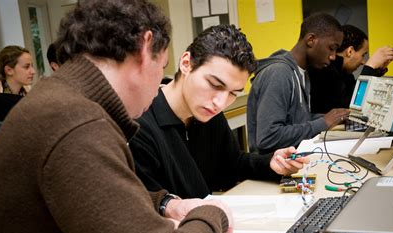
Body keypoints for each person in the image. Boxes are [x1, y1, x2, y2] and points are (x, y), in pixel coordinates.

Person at [0, 1, 234, 233]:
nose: (160, 79)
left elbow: (91, 194)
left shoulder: (59, 101)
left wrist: (164, 203)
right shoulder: (76, 121)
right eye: (163, 66)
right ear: (146, 47)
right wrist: (213, 213)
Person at [129, 24, 308, 199]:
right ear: (186, 64)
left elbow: (233, 164)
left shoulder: (208, 113)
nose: (220, 103)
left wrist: (270, 163)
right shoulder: (140, 125)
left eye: (232, 93)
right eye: (214, 85)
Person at [247, 13, 350, 154]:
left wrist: (333, 117)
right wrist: (323, 123)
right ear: (311, 40)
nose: (333, 57)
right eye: (331, 48)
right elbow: (268, 138)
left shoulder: (302, 72)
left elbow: (296, 120)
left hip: (293, 161)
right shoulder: (279, 73)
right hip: (272, 169)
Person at [308, 24, 393, 113]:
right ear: (350, 51)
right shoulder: (325, 70)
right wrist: (370, 67)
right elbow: (348, 105)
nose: (363, 62)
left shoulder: (344, 73)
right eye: (363, 55)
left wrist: (376, 71)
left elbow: (357, 94)